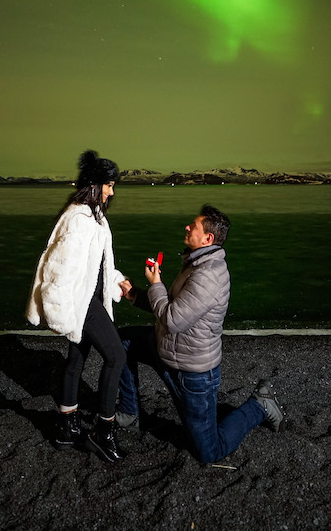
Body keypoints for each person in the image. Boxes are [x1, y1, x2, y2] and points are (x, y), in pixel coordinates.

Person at [117, 205, 285, 464]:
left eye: (192, 226)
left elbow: (172, 319)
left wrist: (156, 284)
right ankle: (129, 412)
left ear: (208, 239)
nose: (187, 227)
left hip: (192, 372)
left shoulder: (208, 276)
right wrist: (135, 295)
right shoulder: (196, 263)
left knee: (209, 452)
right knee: (122, 342)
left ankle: (259, 406)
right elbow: (173, 305)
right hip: (167, 350)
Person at [26, 150, 128, 462]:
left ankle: (67, 428)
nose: (112, 191)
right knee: (116, 356)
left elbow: (95, 267)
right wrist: (60, 312)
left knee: (76, 361)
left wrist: (118, 282)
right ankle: (102, 431)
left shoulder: (93, 215)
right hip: (81, 304)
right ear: (95, 185)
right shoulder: (79, 219)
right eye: (109, 185)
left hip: (90, 298)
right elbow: (58, 268)